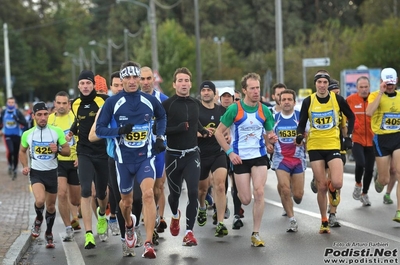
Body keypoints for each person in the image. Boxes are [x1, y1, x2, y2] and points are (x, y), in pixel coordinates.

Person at [96, 61, 166, 259]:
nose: (133, 81)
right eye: (128, 78)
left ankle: (148, 243)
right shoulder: (112, 103)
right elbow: (100, 129)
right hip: (123, 161)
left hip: (145, 158)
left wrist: (159, 136)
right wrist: (118, 131)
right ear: (122, 80)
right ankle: (129, 225)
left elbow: (162, 117)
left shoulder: (149, 100)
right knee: (125, 203)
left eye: (136, 77)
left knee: (148, 195)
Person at [214, 72, 275, 247]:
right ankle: (237, 194)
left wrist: (271, 140)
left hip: (259, 157)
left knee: (260, 192)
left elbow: (269, 134)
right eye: (252, 88)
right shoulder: (235, 109)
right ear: (244, 90)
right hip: (240, 158)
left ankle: (256, 233)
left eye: (258, 88)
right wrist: (230, 153)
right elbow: (218, 133)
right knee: (246, 199)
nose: (256, 91)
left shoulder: (264, 110)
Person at [296, 70, 354, 234]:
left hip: (333, 145)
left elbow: (352, 116)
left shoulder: (337, 99)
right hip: (315, 146)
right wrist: (300, 135)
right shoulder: (308, 101)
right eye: (319, 82)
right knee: (321, 186)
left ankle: (334, 191)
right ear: (315, 84)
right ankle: (324, 220)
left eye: (325, 82)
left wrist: (349, 136)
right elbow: (301, 123)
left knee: (337, 182)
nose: (322, 85)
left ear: (328, 84)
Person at [89, 71, 136, 257]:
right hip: (115, 159)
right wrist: (117, 131)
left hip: (139, 158)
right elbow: (92, 135)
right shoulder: (107, 107)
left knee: (139, 199)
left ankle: (134, 227)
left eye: (120, 84)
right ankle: (126, 240)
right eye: (115, 85)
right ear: (111, 87)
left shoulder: (138, 104)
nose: (118, 88)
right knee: (122, 202)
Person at [162, 67, 209, 247]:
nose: (183, 84)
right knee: (174, 195)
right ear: (174, 84)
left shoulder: (195, 103)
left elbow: (194, 121)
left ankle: (189, 232)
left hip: (192, 154)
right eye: (180, 81)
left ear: (190, 84)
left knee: (193, 192)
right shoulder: (167, 105)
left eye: (186, 81)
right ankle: (175, 216)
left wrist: (202, 130)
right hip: (173, 155)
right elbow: (158, 129)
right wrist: (178, 128)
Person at [19, 102, 70, 248]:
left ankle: (48, 233)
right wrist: (25, 166)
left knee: (51, 207)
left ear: (49, 114)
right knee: (40, 200)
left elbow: (66, 150)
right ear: (34, 116)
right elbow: (22, 151)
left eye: (45, 114)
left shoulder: (56, 132)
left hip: (52, 173)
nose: (43, 118)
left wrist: (58, 149)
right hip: (36, 173)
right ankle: (39, 218)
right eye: (39, 115)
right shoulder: (28, 134)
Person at [70, 70, 110, 249]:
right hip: (84, 152)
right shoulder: (75, 104)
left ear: (93, 85)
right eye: (82, 83)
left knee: (101, 193)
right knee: (86, 190)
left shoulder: (104, 101)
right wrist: (72, 131)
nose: (85, 86)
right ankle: (88, 234)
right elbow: (79, 122)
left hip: (102, 152)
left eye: (88, 83)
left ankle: (102, 213)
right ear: (78, 86)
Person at [366, 67, 400, 223]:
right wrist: (380, 93)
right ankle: (378, 178)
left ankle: (399, 211)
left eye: (392, 83)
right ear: (381, 82)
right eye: (387, 83)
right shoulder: (375, 95)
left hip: (398, 137)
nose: (390, 86)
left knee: (399, 173)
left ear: (396, 81)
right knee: (385, 180)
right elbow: (369, 112)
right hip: (381, 139)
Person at [139, 66, 169, 244]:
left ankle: (156, 215)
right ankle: (149, 226)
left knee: (157, 188)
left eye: (148, 78)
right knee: (145, 191)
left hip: (157, 150)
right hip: (139, 151)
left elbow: (171, 122)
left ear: (153, 80)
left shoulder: (163, 99)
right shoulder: (134, 99)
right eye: (142, 79)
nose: (145, 82)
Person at [196, 80, 229, 237]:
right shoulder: (196, 109)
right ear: (200, 93)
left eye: (209, 90)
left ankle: (221, 223)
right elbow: (189, 130)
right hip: (201, 153)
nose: (206, 93)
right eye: (203, 90)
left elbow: (227, 128)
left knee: (220, 185)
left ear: (215, 94)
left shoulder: (222, 110)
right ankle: (202, 207)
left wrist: (226, 135)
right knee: (202, 190)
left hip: (218, 152)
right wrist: (201, 133)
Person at [271, 89, 306, 232]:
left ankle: (293, 197)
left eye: (289, 99)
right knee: (285, 189)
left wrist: (303, 140)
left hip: (298, 159)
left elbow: (308, 135)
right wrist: (269, 144)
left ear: (294, 101)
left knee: (298, 196)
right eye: (283, 99)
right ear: (279, 101)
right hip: (281, 159)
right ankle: (292, 220)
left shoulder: (300, 117)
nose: (286, 102)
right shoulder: (274, 118)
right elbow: (267, 136)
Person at [48, 91, 81, 241]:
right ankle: (68, 228)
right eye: (58, 103)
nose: (61, 106)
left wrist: (80, 156)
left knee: (75, 200)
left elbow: (82, 138)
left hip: (74, 160)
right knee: (61, 193)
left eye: (64, 103)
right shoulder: (48, 120)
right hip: (58, 162)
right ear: (54, 104)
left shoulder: (74, 118)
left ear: (69, 104)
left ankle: (77, 213)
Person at [346, 76, 375, 206]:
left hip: (372, 139)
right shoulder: (350, 100)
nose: (364, 89)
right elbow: (343, 116)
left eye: (366, 87)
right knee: (360, 163)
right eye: (361, 87)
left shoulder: (374, 99)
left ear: (369, 87)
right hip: (357, 138)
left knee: (369, 169)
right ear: (357, 88)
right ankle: (358, 183)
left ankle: (364, 194)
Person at [0, 97, 28, 179]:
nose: (11, 104)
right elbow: (0, 122)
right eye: (9, 102)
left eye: (12, 102)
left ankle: (15, 168)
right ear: (7, 103)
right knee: (10, 151)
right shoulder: (4, 112)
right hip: (7, 135)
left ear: (15, 103)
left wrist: (17, 120)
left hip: (17, 135)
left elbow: (25, 123)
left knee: (15, 153)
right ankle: (10, 164)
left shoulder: (18, 112)